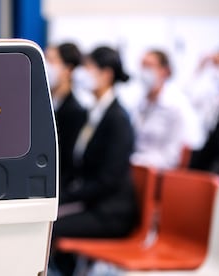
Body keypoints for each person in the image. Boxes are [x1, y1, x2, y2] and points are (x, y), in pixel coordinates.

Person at [51, 46, 138, 276]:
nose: (83, 73)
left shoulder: (118, 119)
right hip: (92, 203)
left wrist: (68, 197)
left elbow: (108, 180)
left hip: (111, 213)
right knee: (47, 216)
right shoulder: (96, 113)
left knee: (51, 226)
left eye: (89, 68)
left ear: (106, 74)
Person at [131, 49, 201, 169]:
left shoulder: (177, 106)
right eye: (142, 66)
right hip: (136, 169)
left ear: (165, 71)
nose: (144, 72)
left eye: (149, 66)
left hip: (159, 174)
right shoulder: (140, 102)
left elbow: (171, 157)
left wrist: (137, 160)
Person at [45, 43, 87, 200]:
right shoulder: (46, 103)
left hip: (60, 190)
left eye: (52, 60)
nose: (47, 66)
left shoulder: (75, 111)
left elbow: (67, 161)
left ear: (68, 69)